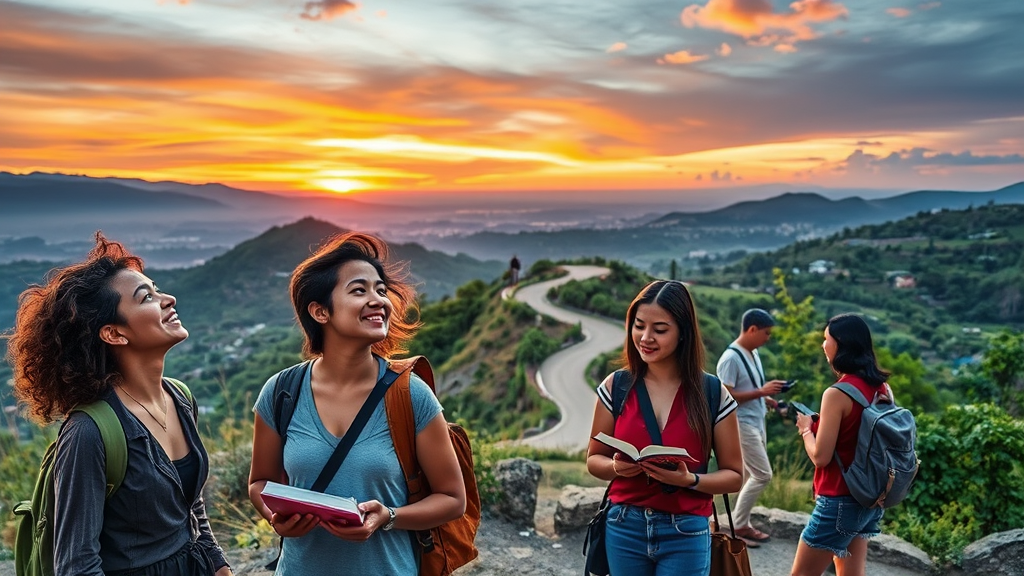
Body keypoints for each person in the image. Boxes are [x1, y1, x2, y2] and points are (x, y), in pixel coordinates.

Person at [6, 233, 231, 576]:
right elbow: (77, 564)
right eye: (147, 298)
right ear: (114, 334)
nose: (168, 299)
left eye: (157, 289)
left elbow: (187, 504)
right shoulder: (90, 433)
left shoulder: (179, 398)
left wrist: (218, 564)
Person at [248, 232, 467, 575]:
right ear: (320, 311)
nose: (378, 299)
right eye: (359, 290)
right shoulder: (281, 392)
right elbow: (259, 482)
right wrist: (276, 518)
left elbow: (453, 499)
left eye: (381, 289)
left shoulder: (409, 394)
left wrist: (389, 517)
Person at [587, 280, 744, 576]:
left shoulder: (712, 392)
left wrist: (690, 480)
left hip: (686, 530)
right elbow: (594, 459)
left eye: (660, 330)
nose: (645, 338)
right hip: (623, 526)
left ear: (683, 332)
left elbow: (735, 476)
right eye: (638, 326)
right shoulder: (617, 385)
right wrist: (619, 468)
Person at [790, 314, 890, 576]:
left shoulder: (837, 393)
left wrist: (805, 430)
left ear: (841, 344)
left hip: (839, 498)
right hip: (869, 498)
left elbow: (821, 457)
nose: (824, 345)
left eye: (826, 339)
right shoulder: (882, 388)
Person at [715, 308, 787, 546]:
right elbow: (725, 397)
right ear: (752, 329)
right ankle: (739, 524)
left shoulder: (752, 354)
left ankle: (723, 521)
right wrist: (761, 391)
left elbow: (747, 388)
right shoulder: (731, 358)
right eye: (766, 333)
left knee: (745, 474)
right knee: (762, 474)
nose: (768, 338)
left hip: (756, 421)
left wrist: (765, 399)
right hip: (741, 424)